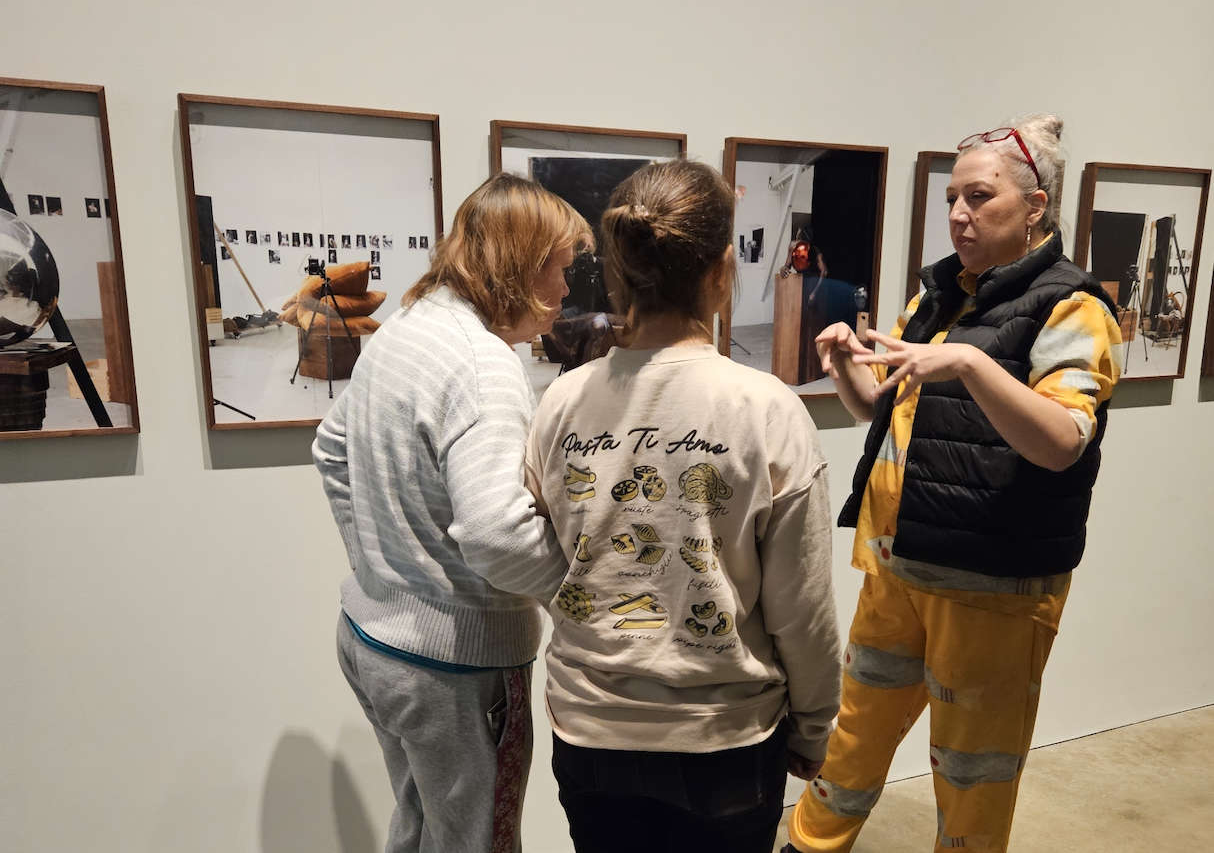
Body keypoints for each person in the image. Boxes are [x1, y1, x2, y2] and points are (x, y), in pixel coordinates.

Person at [785, 115, 1122, 853]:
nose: (959, 215)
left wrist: (971, 365)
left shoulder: (1073, 307)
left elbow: (1063, 442)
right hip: (897, 566)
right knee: (852, 742)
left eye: (980, 196)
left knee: (973, 773)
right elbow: (883, 410)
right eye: (952, 199)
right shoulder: (939, 296)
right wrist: (843, 364)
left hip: (992, 584)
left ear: (1035, 206)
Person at [525, 159, 842, 853]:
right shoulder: (766, 409)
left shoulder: (561, 402)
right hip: (724, 739)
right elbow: (803, 606)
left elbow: (543, 552)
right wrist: (816, 726)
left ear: (618, 273)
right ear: (723, 270)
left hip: (591, 732)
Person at [312, 174, 591, 853]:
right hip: (455, 668)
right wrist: (581, 603)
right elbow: (498, 535)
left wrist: (381, 563)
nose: (565, 290)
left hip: (374, 639)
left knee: (420, 829)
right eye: (559, 269)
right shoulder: (481, 363)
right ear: (519, 265)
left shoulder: (407, 327)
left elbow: (330, 449)